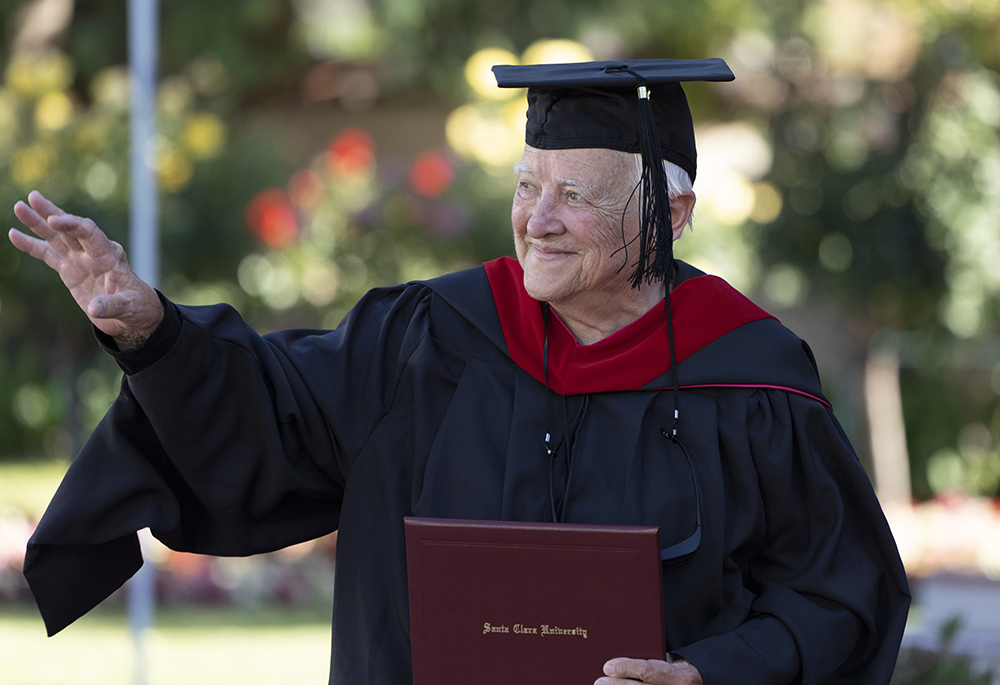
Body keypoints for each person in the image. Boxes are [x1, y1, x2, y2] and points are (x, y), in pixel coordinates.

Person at [10, 58, 909, 684]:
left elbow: (839, 591)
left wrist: (712, 671)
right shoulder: (430, 337)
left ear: (670, 215)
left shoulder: (751, 377)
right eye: (526, 186)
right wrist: (154, 330)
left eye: (574, 196)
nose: (538, 221)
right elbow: (271, 406)